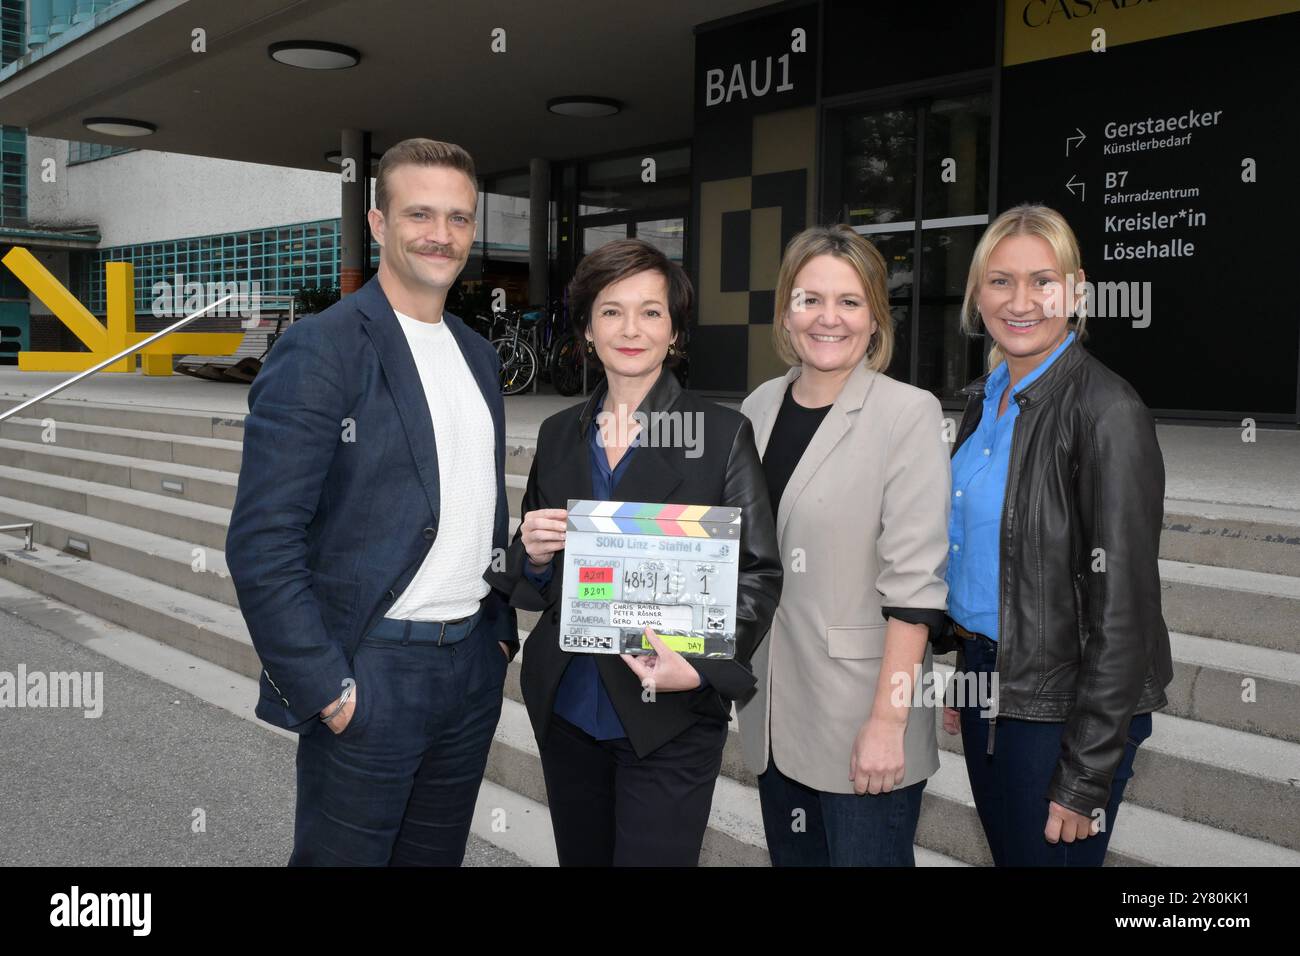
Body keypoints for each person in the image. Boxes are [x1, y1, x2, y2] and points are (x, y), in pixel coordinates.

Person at [226, 138, 517, 866]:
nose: (440, 235)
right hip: (373, 671)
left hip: (470, 669)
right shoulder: (324, 348)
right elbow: (263, 538)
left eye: (458, 218)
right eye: (420, 213)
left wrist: (500, 634)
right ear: (378, 221)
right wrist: (327, 687)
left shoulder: (478, 355)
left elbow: (480, 500)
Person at [486, 238, 782, 866]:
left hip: (668, 711)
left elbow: (757, 574)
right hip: (568, 707)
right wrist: (532, 554)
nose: (630, 328)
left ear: (674, 332)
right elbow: (532, 577)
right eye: (611, 310)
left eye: (651, 312)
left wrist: (698, 666)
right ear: (587, 329)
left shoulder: (722, 435)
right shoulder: (558, 432)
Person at [941, 203, 1173, 865]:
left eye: (1042, 281)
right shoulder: (985, 398)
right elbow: (989, 558)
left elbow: (1125, 612)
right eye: (1000, 281)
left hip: (1065, 708)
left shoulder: (1108, 413)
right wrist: (968, 676)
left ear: (1076, 290)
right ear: (976, 293)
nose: (1021, 301)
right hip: (993, 678)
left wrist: (1084, 774)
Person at [737, 225, 951, 866]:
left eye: (850, 302)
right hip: (772, 714)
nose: (829, 319)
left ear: (876, 316)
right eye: (810, 299)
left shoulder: (907, 414)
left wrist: (888, 723)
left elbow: (915, 587)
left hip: (861, 720)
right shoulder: (757, 408)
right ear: (786, 311)